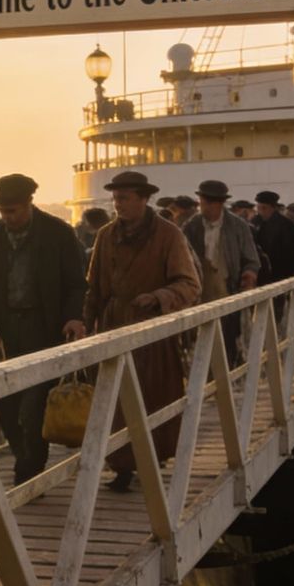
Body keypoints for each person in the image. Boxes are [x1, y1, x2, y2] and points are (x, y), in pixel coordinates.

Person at [85, 172, 200, 492]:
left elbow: (189, 284)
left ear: (143, 199)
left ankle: (151, 460)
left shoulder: (169, 235)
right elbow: (93, 288)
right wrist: (86, 323)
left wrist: (159, 297)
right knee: (115, 402)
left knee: (153, 400)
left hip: (152, 332)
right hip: (113, 327)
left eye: (124, 198)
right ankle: (121, 465)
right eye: (115, 198)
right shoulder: (105, 235)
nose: (117, 204)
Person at [0, 174, 87, 484]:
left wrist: (73, 317)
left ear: (28, 204)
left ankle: (30, 467)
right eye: (2, 211)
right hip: (2, 330)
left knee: (35, 405)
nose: (7, 217)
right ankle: (23, 456)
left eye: (12, 211)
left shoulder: (59, 234)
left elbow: (76, 283)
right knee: (6, 404)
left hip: (42, 327)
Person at [182, 181, 260, 366]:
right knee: (200, 343)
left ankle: (229, 372)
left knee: (228, 340)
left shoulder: (238, 227)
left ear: (219, 203)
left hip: (228, 291)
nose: (203, 207)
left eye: (207, 203)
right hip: (199, 294)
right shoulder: (191, 227)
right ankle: (206, 376)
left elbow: (252, 259)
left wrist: (249, 276)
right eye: (202, 202)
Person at [253, 191, 294, 284]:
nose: (261, 211)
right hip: (261, 274)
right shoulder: (255, 222)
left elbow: (293, 251)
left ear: (273, 208)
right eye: (258, 208)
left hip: (281, 273)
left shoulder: (286, 225)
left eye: (264, 208)